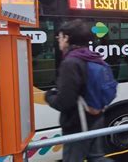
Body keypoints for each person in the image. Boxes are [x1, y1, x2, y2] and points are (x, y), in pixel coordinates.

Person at [45, 20, 111, 162]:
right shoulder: (94, 57)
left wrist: (49, 96)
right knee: (97, 157)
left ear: (67, 38)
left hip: (77, 122)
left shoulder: (71, 62)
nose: (58, 41)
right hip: (96, 116)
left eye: (59, 37)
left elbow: (65, 102)